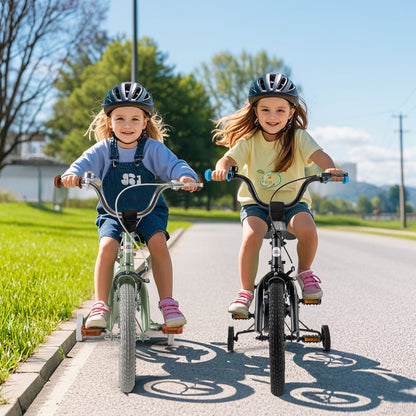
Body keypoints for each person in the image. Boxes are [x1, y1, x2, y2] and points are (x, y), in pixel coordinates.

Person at [60, 81, 198, 328]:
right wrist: (73, 174)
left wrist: (185, 176)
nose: (127, 125)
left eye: (135, 119)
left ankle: (168, 303)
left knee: (158, 244)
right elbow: (82, 164)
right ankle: (101, 304)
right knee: (107, 247)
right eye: (120, 118)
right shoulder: (103, 150)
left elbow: (174, 164)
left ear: (146, 122)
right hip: (112, 212)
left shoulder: (152, 149)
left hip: (148, 211)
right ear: (109, 121)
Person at [210, 72, 344, 316]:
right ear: (255, 112)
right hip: (256, 204)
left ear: (291, 112)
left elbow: (320, 156)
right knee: (251, 237)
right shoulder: (249, 139)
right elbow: (228, 158)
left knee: (308, 230)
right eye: (266, 110)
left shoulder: (298, 138)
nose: (273, 117)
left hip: (293, 203)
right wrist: (222, 169)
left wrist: (329, 169)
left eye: (280, 111)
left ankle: (305, 272)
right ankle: (245, 292)